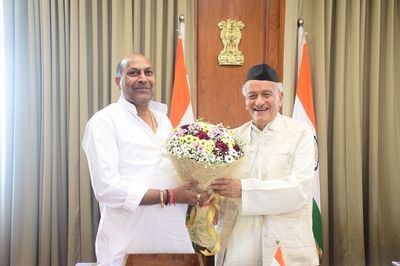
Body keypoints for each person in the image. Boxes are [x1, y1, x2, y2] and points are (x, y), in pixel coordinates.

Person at [82, 53, 207, 265]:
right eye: (133, 73)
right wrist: (169, 196)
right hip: (129, 243)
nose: (143, 78)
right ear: (118, 81)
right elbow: (107, 188)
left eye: (148, 72)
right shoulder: (104, 121)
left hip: (174, 242)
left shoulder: (164, 120)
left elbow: (173, 173)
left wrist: (198, 190)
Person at [209, 64, 320, 265]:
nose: (259, 101)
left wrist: (243, 189)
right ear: (245, 101)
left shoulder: (301, 134)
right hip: (238, 242)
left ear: (280, 98)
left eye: (266, 94)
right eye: (252, 96)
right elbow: (217, 188)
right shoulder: (230, 139)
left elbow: (299, 189)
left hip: (284, 244)